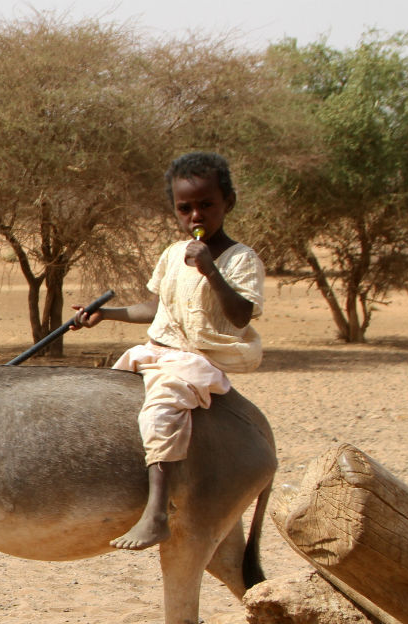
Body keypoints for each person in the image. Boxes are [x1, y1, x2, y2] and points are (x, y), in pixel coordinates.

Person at [71, 151, 265, 550]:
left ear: (228, 203)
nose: (196, 216)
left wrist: (211, 270)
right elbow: (158, 308)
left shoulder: (240, 259)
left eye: (206, 205)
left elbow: (242, 314)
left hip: (199, 359)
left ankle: (157, 512)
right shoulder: (172, 254)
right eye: (185, 208)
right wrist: (106, 314)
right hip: (158, 349)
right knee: (103, 394)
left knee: (161, 408)